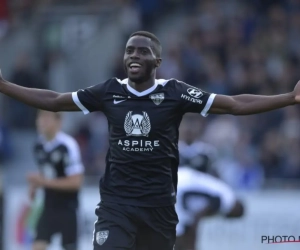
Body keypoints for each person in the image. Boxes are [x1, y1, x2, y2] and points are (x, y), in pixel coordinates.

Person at [0, 30, 299, 250]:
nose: (134, 56)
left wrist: (288, 98)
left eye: (142, 51)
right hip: (117, 205)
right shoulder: (109, 91)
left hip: (159, 208)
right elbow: (53, 100)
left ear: (157, 60)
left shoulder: (175, 92)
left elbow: (234, 104)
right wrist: (4, 86)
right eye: (130, 50)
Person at [176, 129, 244, 250]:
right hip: (176, 193)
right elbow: (209, 208)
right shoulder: (226, 196)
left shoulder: (216, 186)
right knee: (184, 238)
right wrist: (198, 218)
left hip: (173, 187)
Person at [27, 110, 84, 250]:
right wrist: (34, 187)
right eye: (40, 117)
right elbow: (46, 173)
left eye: (46, 117)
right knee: (37, 246)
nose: (42, 121)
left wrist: (43, 182)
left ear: (58, 122)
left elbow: (76, 182)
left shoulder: (68, 146)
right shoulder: (38, 145)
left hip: (68, 208)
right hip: (48, 207)